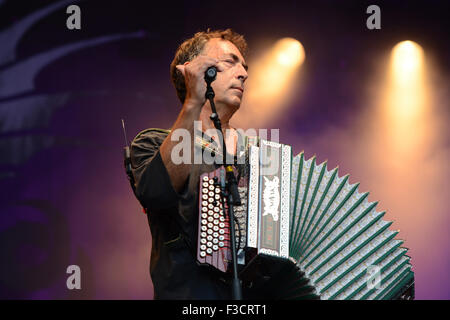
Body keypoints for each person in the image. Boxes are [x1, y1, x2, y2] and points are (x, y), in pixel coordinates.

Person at [130, 29, 254, 299]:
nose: (244, 73)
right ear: (197, 71)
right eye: (230, 62)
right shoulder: (150, 144)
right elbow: (155, 193)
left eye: (244, 66)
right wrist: (194, 100)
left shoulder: (257, 153)